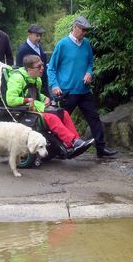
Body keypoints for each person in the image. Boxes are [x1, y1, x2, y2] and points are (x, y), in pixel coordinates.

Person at [46, 16, 117, 158]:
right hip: (67, 92)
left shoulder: (87, 44)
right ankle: (54, 149)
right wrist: (54, 85)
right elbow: (51, 68)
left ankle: (101, 149)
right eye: (83, 30)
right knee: (59, 121)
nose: (85, 33)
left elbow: (90, 63)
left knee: (94, 118)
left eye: (86, 30)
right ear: (75, 27)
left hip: (84, 91)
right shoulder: (63, 44)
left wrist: (89, 73)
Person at [5, 54, 91, 155]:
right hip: (24, 110)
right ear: (29, 69)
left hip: (36, 107)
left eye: (42, 65)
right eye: (39, 67)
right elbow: (10, 99)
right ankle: (71, 141)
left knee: (63, 113)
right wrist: (27, 100)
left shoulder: (37, 79)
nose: (42, 68)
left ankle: (76, 141)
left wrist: (45, 98)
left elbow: (36, 95)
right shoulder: (17, 78)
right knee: (52, 118)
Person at [15, 24, 49, 96]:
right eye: (37, 35)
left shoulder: (40, 47)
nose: (39, 38)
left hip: (43, 85)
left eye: (40, 35)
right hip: (30, 88)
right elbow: (19, 70)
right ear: (29, 34)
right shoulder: (23, 50)